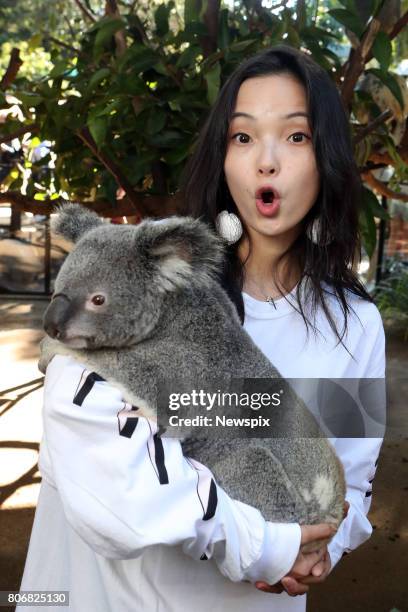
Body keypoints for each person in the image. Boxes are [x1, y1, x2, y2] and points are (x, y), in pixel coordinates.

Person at [17, 45, 384, 612]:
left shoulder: (354, 323)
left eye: (295, 136)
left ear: (327, 158)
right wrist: (268, 543)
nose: (267, 161)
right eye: (243, 137)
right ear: (221, 158)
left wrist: (322, 549)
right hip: (114, 595)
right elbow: (115, 490)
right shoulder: (134, 277)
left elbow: (351, 485)